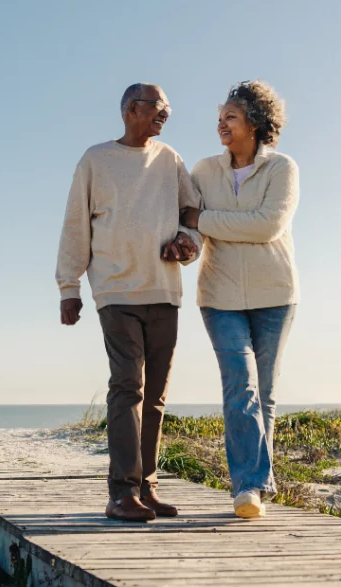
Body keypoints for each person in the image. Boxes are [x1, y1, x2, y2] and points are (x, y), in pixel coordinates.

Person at [56, 83, 201, 522]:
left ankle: (146, 488)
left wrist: (187, 240)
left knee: (154, 396)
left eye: (168, 108)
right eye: (159, 107)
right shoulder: (96, 160)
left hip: (164, 291)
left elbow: (191, 212)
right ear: (130, 110)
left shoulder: (170, 159)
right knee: (127, 387)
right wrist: (69, 287)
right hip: (116, 293)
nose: (166, 114)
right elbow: (75, 224)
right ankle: (121, 492)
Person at [180, 80, 299, 519]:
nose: (221, 124)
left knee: (264, 393)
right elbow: (190, 225)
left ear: (255, 121)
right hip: (220, 294)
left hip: (276, 295)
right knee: (240, 386)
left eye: (230, 116)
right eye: (219, 117)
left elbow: (267, 225)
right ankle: (247, 487)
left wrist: (206, 218)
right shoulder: (203, 171)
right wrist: (188, 239)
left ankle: (258, 484)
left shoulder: (283, 168)